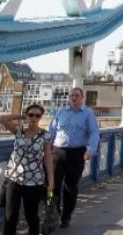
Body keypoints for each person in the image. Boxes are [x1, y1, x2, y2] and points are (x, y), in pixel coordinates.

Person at [47, 87, 100, 229]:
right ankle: (53, 214)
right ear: (68, 97)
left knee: (71, 187)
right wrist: (44, 147)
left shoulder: (87, 114)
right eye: (71, 96)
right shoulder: (61, 112)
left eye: (77, 95)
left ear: (81, 98)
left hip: (77, 153)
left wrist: (91, 150)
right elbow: (50, 131)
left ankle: (66, 216)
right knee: (52, 185)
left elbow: (94, 132)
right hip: (57, 152)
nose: (74, 98)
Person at [0, 105, 55, 235]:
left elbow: (48, 158)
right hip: (14, 178)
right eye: (31, 115)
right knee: (10, 215)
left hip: (34, 181)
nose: (34, 118)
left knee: (31, 215)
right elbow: (3, 119)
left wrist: (51, 180)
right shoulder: (19, 131)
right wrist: (22, 115)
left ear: (41, 118)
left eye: (37, 115)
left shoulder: (45, 135)